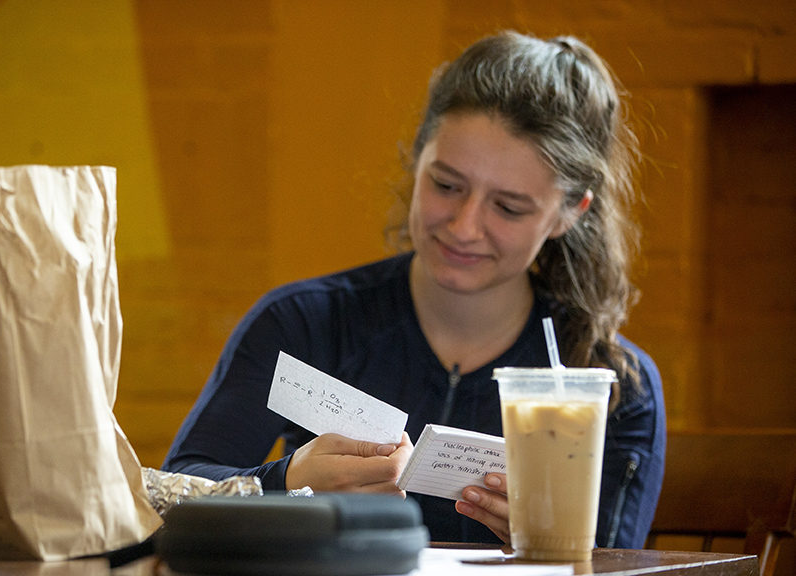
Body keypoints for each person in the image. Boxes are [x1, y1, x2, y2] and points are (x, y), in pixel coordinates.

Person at [162, 30, 666, 548]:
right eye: (446, 185)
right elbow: (169, 497)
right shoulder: (303, 324)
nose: (465, 226)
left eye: (509, 207)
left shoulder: (610, 386)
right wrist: (285, 482)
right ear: (418, 158)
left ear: (568, 213)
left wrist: (552, 543)